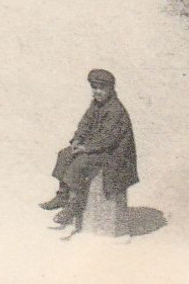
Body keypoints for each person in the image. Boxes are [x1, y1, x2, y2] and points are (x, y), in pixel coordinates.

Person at [40, 69, 138, 230]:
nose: (97, 92)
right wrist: (77, 140)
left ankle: (74, 205)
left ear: (110, 89)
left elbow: (108, 139)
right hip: (97, 147)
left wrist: (85, 148)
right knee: (65, 154)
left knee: (80, 164)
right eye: (94, 87)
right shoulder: (95, 105)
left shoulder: (116, 110)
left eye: (102, 88)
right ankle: (62, 195)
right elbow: (85, 124)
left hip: (114, 154)